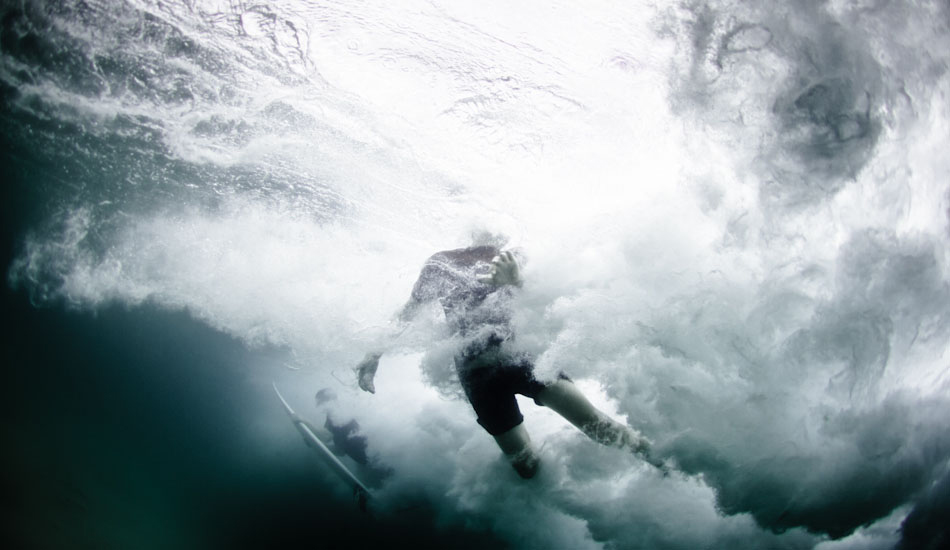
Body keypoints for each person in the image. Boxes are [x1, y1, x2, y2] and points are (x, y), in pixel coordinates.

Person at [356, 240, 663, 478]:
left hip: (522, 361)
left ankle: (669, 463)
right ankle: (549, 504)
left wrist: (517, 281)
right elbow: (409, 311)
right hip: (477, 378)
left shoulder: (516, 253)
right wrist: (374, 355)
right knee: (526, 468)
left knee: (599, 428)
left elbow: (551, 309)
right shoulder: (440, 263)